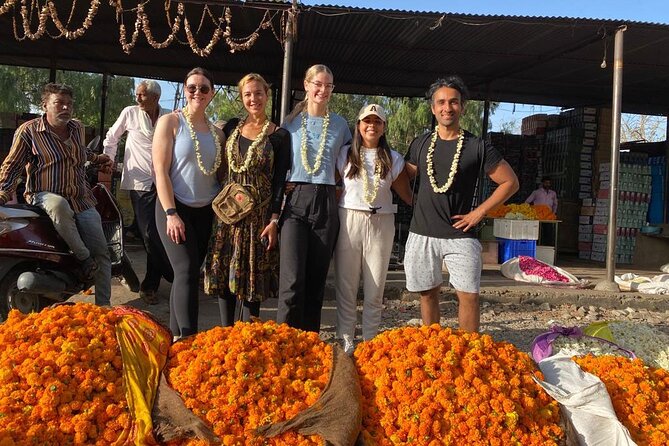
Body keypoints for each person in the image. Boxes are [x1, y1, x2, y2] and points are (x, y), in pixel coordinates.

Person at [404, 76, 519, 332]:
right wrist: (409, 200)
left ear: (462, 107)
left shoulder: (478, 147)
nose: (447, 107)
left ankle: (468, 350)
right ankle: (434, 345)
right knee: (427, 293)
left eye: (453, 102)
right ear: (433, 108)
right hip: (422, 232)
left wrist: (479, 213)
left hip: (461, 234)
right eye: (441, 102)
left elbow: (510, 182)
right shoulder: (420, 144)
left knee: (469, 295)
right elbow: (402, 175)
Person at [0, 82, 114, 305]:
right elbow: (12, 166)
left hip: (81, 198)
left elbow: (80, 153)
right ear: (45, 105)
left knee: (102, 252)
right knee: (59, 205)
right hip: (44, 194)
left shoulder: (77, 128)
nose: (65, 108)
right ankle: (83, 257)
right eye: (59, 103)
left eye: (69, 104)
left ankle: (104, 308)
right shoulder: (29, 131)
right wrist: (2, 193)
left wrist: (99, 159)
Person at [204, 73, 290, 326]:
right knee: (225, 274)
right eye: (248, 94)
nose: (254, 99)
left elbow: (279, 183)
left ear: (267, 94)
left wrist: (274, 220)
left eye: (258, 93)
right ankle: (225, 331)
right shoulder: (230, 127)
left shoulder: (279, 136)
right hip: (228, 215)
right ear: (242, 98)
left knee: (252, 277)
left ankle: (248, 335)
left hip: (258, 217)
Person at [277, 64, 352, 333]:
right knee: (292, 282)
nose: (322, 90)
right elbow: (279, 164)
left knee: (316, 282)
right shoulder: (290, 122)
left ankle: (310, 347)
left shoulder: (342, 125)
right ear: (306, 85)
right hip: (296, 199)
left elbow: (348, 165)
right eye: (317, 84)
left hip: (326, 200)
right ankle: (285, 345)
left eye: (328, 85)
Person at [334, 104, 413, 354]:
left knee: (375, 284)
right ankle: (346, 336)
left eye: (377, 122)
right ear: (358, 126)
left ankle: (370, 339)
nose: (371, 125)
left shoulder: (394, 158)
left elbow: (406, 194)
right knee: (346, 283)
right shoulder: (345, 154)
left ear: (384, 127)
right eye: (367, 121)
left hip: (381, 222)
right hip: (349, 218)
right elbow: (335, 187)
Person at [152, 67, 223, 339]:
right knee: (185, 270)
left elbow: (222, 174)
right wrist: (171, 213)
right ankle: (189, 339)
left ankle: (173, 338)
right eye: (192, 87)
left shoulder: (217, 133)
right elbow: (160, 170)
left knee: (190, 273)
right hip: (174, 207)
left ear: (211, 94)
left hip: (205, 212)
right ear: (184, 89)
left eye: (204, 88)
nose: (197, 92)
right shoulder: (170, 122)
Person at [103, 79, 173, 305]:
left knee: (162, 233)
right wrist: (108, 161)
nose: (137, 98)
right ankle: (167, 275)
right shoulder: (130, 113)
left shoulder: (169, 116)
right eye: (137, 94)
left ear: (155, 97)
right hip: (139, 183)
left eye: (142, 95)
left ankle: (151, 284)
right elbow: (112, 137)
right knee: (149, 235)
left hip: (166, 182)